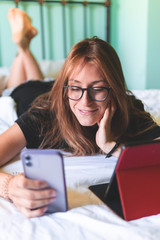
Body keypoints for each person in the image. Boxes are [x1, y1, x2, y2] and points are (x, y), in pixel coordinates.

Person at [0, 8, 160, 218]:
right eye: (75, 87)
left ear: (115, 89)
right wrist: (9, 185)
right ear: (66, 88)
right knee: (27, 81)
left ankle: (25, 44)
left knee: (45, 81)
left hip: (53, 87)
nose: (85, 101)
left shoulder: (129, 110)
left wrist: (111, 146)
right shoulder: (43, 117)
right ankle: (22, 46)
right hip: (28, 93)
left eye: (98, 89)